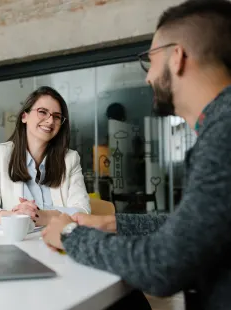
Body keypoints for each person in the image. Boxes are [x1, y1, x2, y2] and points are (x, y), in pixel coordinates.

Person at [42, 1, 231, 309]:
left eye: (149, 61)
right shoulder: (219, 127)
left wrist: (69, 235)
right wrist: (112, 224)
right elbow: (193, 227)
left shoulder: (224, 133)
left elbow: (162, 266)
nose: (147, 77)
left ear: (178, 57)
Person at [0, 86, 90, 226]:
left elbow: (83, 211)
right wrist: (14, 216)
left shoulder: (70, 159)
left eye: (57, 116)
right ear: (24, 116)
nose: (50, 121)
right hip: (18, 241)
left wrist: (42, 216)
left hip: (58, 241)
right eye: (43, 112)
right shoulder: (0, 154)